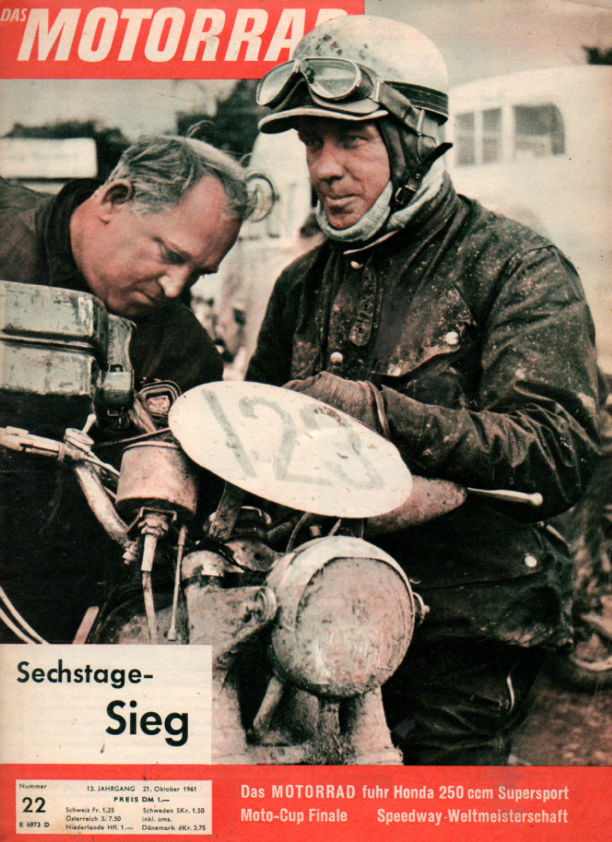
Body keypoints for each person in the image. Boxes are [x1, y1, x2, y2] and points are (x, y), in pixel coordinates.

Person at [247, 15, 603, 764]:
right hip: (313, 614)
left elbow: (559, 449)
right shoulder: (299, 285)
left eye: (352, 140)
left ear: (415, 139)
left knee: (431, 799)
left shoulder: (516, 267)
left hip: (464, 630)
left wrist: (380, 411)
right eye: (312, 141)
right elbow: (253, 438)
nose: (325, 168)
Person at [0, 135, 251, 643]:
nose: (176, 288)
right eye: (171, 254)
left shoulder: (186, 354)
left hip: (61, 625)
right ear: (115, 199)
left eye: (198, 273)